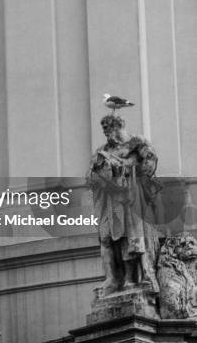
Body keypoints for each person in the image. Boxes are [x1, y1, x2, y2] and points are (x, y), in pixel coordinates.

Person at [87, 114, 161, 295]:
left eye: (112, 130)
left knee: (129, 239)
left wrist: (130, 162)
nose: (109, 135)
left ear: (120, 127)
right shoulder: (102, 151)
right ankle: (112, 278)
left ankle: (129, 279)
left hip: (130, 199)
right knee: (106, 239)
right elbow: (89, 178)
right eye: (106, 131)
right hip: (108, 201)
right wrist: (101, 169)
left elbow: (148, 167)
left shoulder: (136, 145)